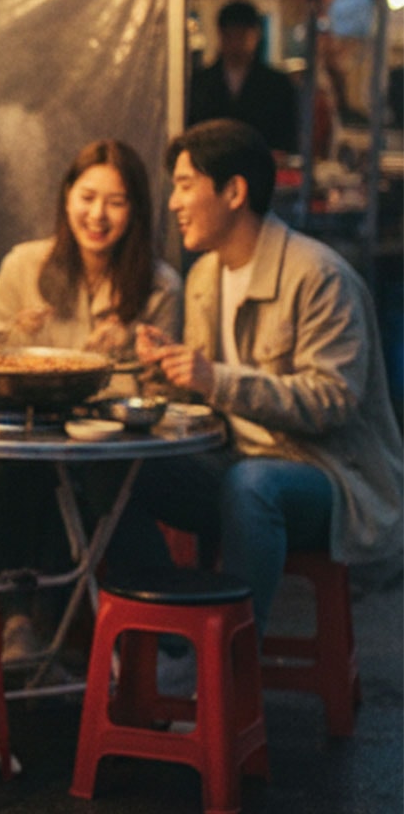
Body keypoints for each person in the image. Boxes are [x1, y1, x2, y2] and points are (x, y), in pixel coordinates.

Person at [125, 120, 402, 639]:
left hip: (329, 476)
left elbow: (332, 400)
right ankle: (174, 633)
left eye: (186, 186)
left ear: (234, 192)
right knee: (121, 468)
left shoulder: (319, 276)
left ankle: (233, 658)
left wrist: (217, 378)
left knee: (252, 486)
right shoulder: (206, 274)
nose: (175, 203)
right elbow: (209, 394)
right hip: (239, 462)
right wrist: (167, 372)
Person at [0, 139, 182, 664]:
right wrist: (12, 334)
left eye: (116, 201)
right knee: (17, 467)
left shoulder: (159, 286)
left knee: (82, 476)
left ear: (135, 209)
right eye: (87, 197)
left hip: (106, 452)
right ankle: (22, 619)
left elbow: (166, 394)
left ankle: (51, 625)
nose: (98, 215)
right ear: (67, 197)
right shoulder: (26, 264)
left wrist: (126, 363)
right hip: (25, 439)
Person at [189, 0, 300, 154]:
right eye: (230, 36)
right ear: (220, 35)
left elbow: (287, 137)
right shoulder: (200, 82)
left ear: (256, 35)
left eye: (242, 36)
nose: (236, 44)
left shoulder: (277, 84)